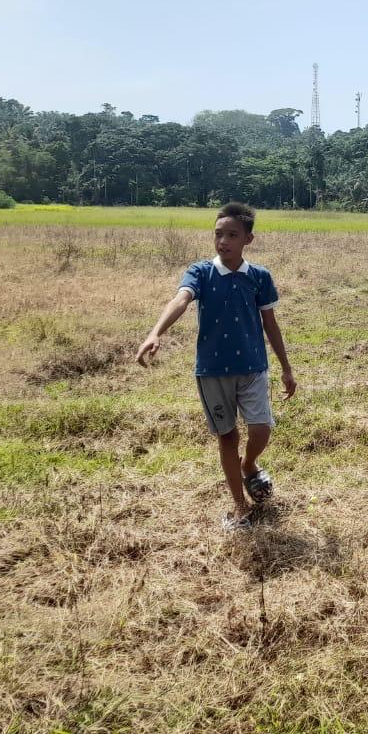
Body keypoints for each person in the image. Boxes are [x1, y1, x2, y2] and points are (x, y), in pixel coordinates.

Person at [135, 202, 297, 531]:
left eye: (232, 235)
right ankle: (239, 506)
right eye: (218, 234)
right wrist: (155, 332)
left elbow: (271, 324)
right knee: (227, 436)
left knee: (261, 429)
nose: (223, 241)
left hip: (253, 366)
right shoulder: (201, 272)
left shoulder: (259, 277)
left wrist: (286, 367)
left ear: (248, 240)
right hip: (212, 371)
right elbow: (181, 299)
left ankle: (248, 464)